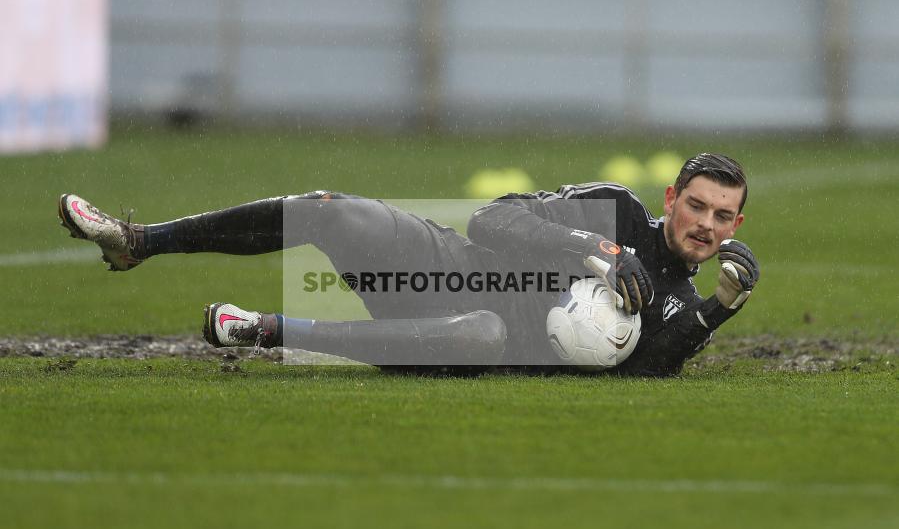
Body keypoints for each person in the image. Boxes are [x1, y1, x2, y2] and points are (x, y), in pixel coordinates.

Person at [58, 152, 759, 376]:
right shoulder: (613, 210)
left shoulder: (678, 302)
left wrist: (720, 307)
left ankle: (264, 329)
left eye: (721, 216)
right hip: (446, 259)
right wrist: (594, 250)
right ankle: (138, 241)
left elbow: (650, 367)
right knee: (333, 209)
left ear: (734, 226)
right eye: (696, 205)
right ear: (672, 199)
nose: (703, 225)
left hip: (476, 335)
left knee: (480, 334)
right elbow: (492, 219)